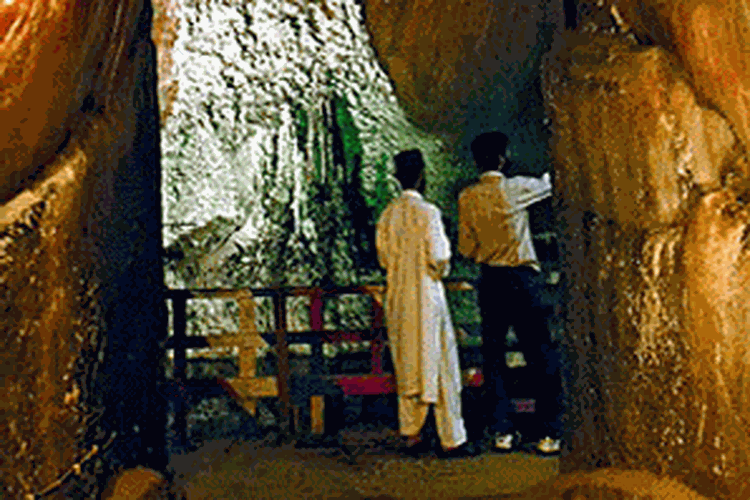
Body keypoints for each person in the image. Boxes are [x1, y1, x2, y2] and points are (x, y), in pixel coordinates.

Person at [458, 131, 563, 455]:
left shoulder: (467, 198)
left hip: (490, 279)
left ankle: (502, 430)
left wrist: (487, 249)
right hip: (521, 277)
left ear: (477, 162)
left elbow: (466, 248)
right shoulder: (515, 188)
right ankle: (549, 431)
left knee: (493, 356)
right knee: (539, 352)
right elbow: (550, 184)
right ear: (503, 158)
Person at [376, 149, 477, 459]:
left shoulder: (388, 215)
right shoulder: (428, 213)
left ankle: (412, 432)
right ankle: (451, 437)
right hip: (427, 296)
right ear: (422, 176)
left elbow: (383, 258)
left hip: (398, 297)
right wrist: (440, 271)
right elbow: (439, 256)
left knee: (408, 363)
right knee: (441, 364)